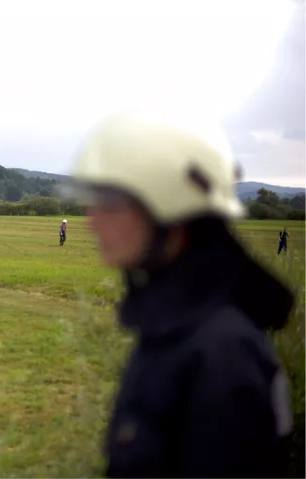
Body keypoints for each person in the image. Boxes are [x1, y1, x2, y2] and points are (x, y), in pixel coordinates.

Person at [66, 108, 294, 478]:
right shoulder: (177, 326)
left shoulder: (223, 352)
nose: (92, 217)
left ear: (170, 209)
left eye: (110, 200)